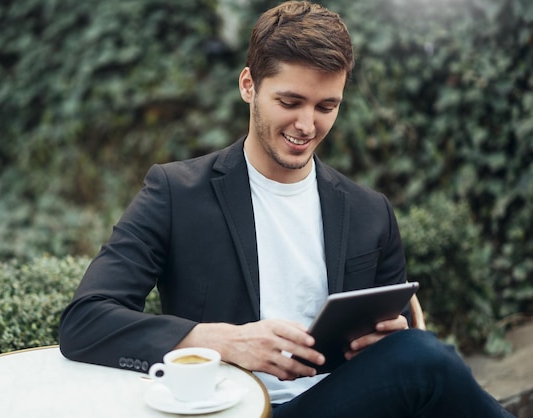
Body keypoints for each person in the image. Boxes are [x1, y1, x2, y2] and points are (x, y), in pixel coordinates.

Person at [59, 2, 513, 416]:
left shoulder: (369, 210)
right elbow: (85, 320)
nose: (306, 124)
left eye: (326, 106)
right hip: (225, 408)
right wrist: (222, 341)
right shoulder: (176, 192)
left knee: (423, 356)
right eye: (290, 102)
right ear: (248, 85)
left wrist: (392, 334)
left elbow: (404, 333)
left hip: (341, 402)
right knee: (428, 361)